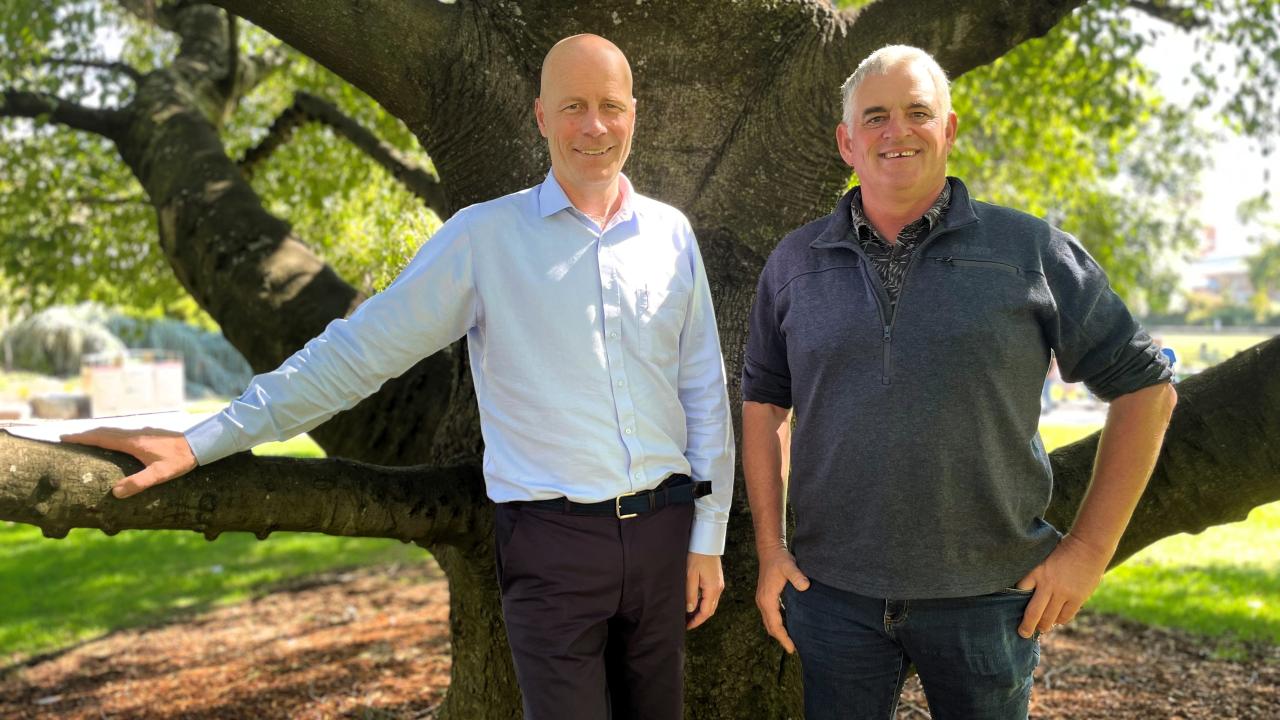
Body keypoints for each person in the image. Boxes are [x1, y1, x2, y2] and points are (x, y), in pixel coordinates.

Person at [64, 34, 733, 720]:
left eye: (610, 106)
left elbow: (702, 391)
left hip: (663, 537)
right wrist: (201, 440)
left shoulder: (671, 234)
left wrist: (707, 538)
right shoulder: (484, 239)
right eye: (573, 107)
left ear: (634, 114)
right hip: (552, 547)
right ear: (540, 116)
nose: (594, 126)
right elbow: (356, 354)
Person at [740, 45, 1176, 719]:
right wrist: (771, 551)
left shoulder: (1030, 251)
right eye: (876, 116)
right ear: (846, 141)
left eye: (918, 112)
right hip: (832, 596)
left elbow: (1147, 389)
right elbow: (765, 403)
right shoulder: (794, 262)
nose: (897, 131)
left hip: (993, 598)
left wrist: (1088, 552)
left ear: (948, 130)